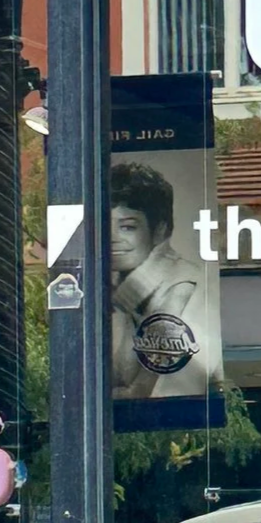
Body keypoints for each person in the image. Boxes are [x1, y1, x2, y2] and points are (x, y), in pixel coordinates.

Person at [107, 161, 219, 403]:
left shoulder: (183, 289)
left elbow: (145, 396)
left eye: (127, 227)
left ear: (160, 230)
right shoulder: (111, 290)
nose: (112, 239)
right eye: (104, 226)